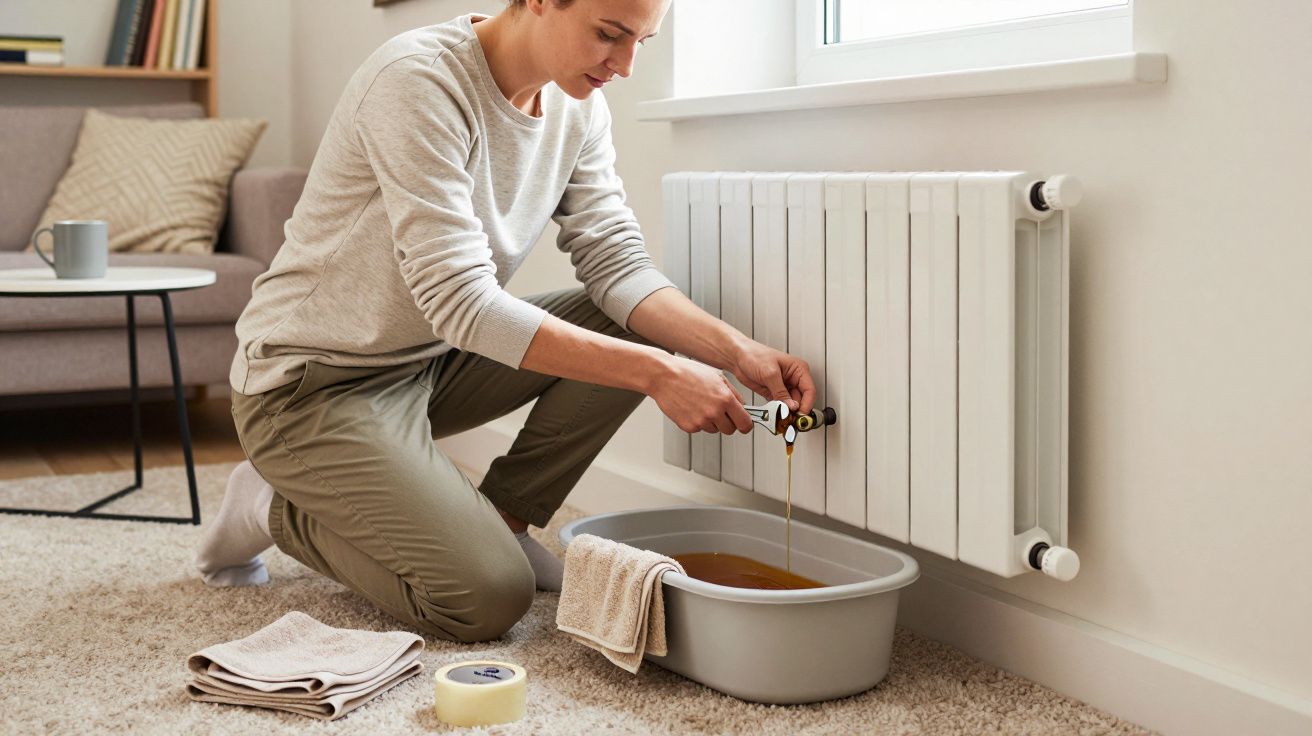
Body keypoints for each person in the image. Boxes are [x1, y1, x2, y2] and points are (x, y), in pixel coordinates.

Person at [194, 0, 816, 643]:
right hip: (309, 385)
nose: (626, 65)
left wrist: (735, 352)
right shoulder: (417, 81)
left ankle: (507, 517)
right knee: (486, 599)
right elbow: (460, 301)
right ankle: (273, 507)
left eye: (643, 42)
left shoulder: (579, 108)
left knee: (632, 323)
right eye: (609, 35)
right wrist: (661, 375)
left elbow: (616, 264)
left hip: (427, 364)